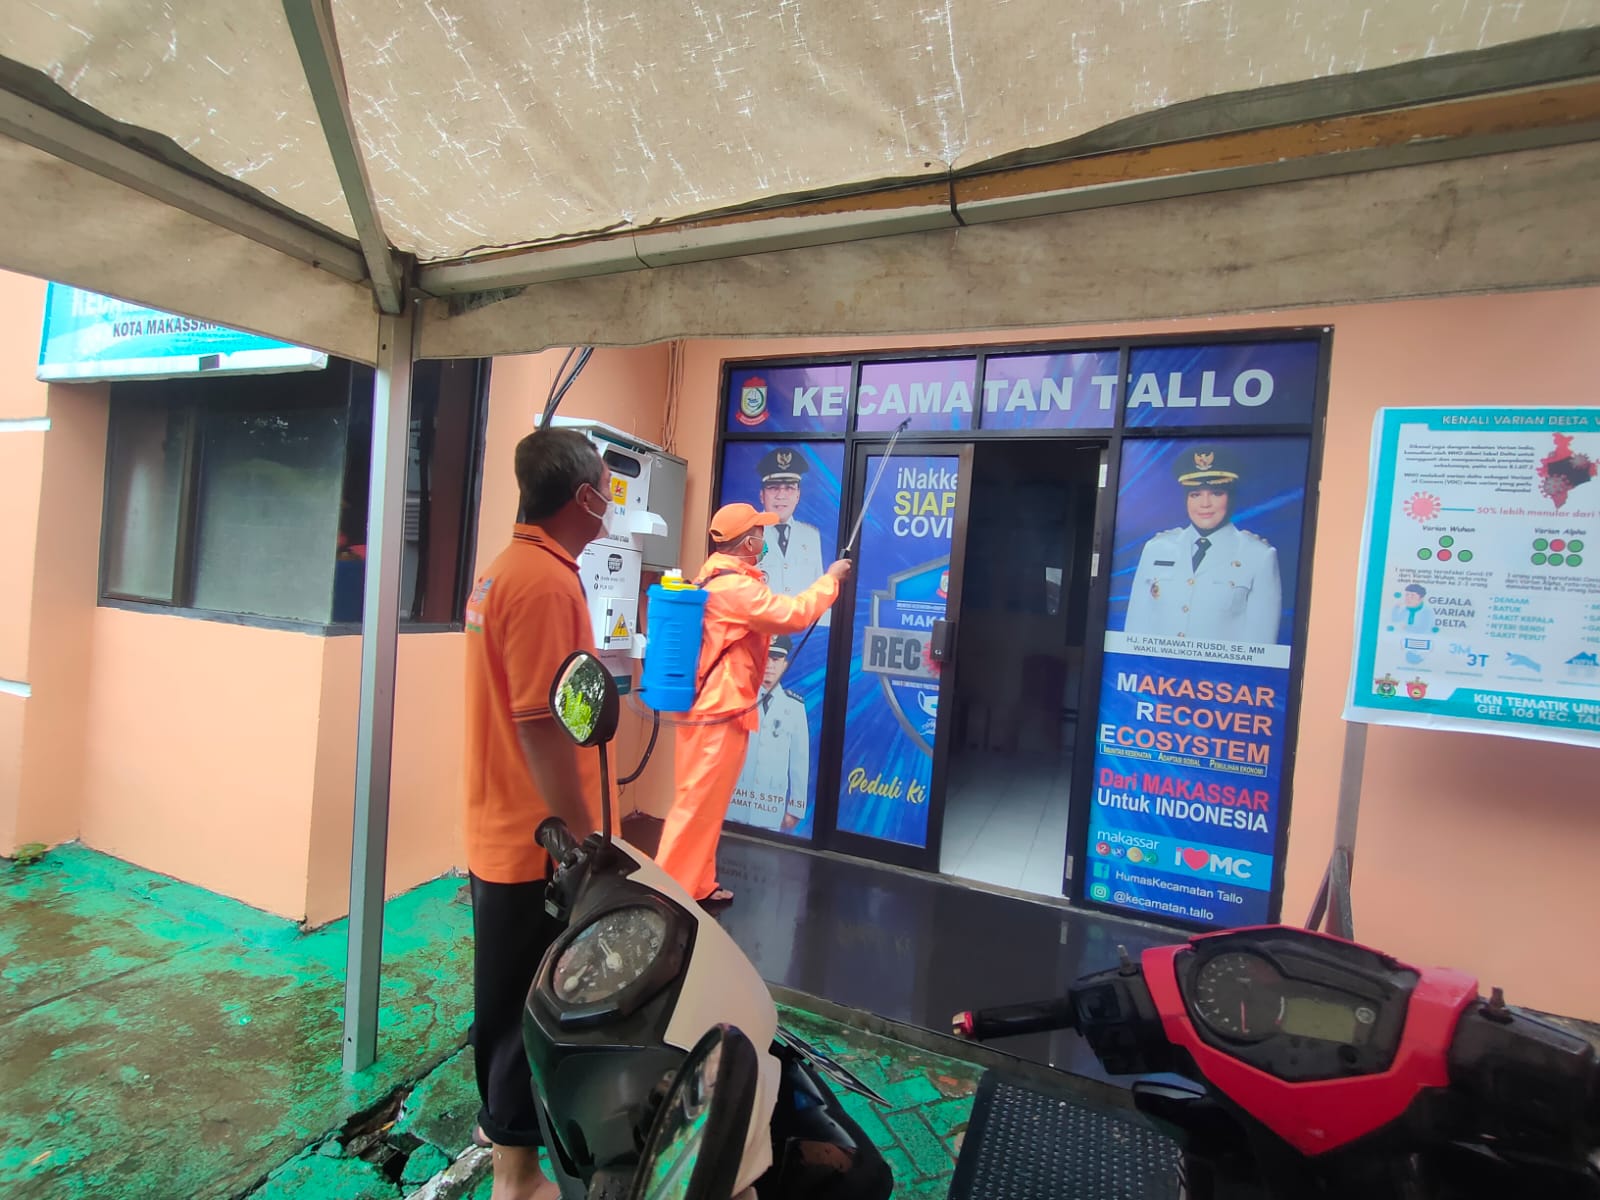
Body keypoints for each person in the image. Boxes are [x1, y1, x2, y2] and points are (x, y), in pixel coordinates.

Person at [462, 427, 613, 1200]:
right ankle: (517, 1177)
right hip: (537, 843)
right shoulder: (546, 583)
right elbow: (542, 723)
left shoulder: (506, 570)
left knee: (505, 999)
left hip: (502, 828)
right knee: (531, 1007)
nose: (611, 504)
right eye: (608, 491)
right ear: (584, 497)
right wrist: (581, 844)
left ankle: (505, 1147)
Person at [655, 503, 849, 903]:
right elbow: (793, 615)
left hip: (711, 709)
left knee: (706, 806)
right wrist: (830, 580)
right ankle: (665, 898)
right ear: (747, 543)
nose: (764, 537)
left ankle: (698, 884)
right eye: (759, 532)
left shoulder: (715, 577)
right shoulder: (737, 589)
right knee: (695, 807)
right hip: (718, 713)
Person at [1125, 445, 1283, 645]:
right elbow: (1135, 631)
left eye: (1216, 493)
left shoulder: (1259, 556)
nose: (1205, 504)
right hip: (1156, 666)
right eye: (1195, 494)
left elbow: (1261, 645)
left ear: (1230, 497)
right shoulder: (1156, 549)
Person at [728, 635, 811, 834]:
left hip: (770, 805)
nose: (769, 666)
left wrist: (796, 808)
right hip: (735, 800)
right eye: (765, 658)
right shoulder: (740, 697)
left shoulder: (794, 707)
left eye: (775, 659)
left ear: (785, 665)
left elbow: (799, 760)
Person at [757, 447, 829, 624]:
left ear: (798, 495)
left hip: (801, 632)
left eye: (789, 488)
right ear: (762, 495)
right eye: (773, 487)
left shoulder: (811, 536)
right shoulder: (749, 533)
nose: (781, 495)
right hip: (761, 630)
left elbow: (817, 593)